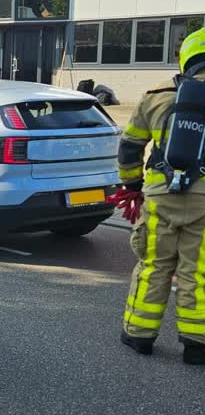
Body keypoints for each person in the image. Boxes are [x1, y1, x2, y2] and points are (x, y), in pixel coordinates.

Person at [116, 28, 205, 365]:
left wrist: (133, 186)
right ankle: (197, 344)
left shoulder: (156, 96)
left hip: (160, 196)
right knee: (198, 271)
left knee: (153, 265)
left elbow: (129, 147)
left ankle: (138, 335)